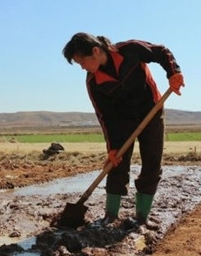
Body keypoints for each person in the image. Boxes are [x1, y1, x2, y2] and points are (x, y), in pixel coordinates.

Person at [62, 33, 184, 225]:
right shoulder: (93, 82)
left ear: (95, 51)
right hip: (122, 121)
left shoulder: (131, 50)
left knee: (152, 164)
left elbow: (161, 52)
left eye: (82, 61)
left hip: (151, 111)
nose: (82, 67)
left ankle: (141, 217)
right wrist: (112, 147)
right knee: (116, 163)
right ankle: (110, 216)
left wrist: (174, 73)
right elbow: (105, 116)